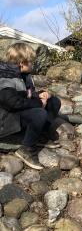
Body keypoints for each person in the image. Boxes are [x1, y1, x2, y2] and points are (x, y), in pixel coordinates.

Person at [0, 42, 62, 170]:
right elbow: (13, 103)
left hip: (16, 112)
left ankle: (40, 134)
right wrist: (38, 103)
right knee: (39, 113)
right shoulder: (5, 77)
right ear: (22, 63)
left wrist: (40, 95)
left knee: (54, 101)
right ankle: (26, 149)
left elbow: (27, 96)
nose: (33, 64)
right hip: (5, 120)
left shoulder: (24, 76)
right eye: (31, 62)